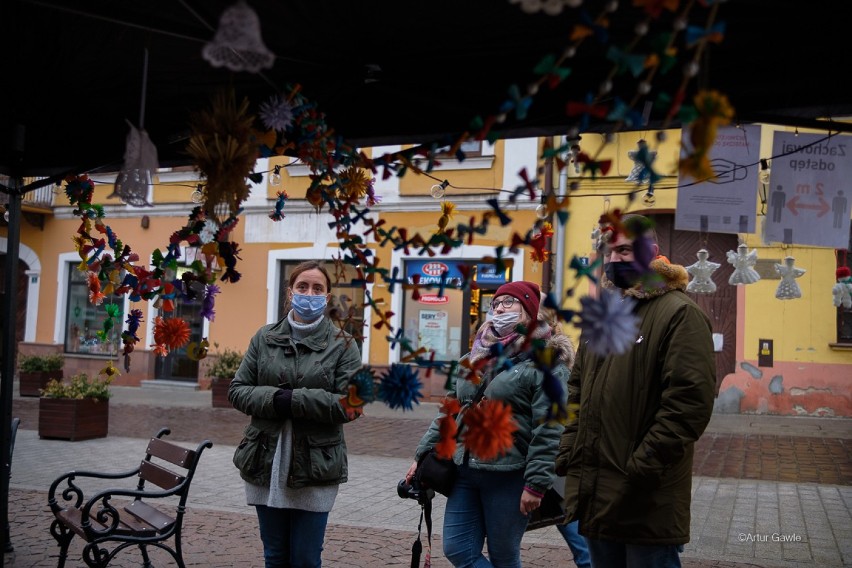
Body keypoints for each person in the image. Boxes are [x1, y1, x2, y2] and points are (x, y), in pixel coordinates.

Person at [555, 214, 716, 568]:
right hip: (596, 494)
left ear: (653, 252)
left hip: (645, 500)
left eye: (625, 250)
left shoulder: (679, 314)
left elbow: (689, 405)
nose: (614, 260)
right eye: (609, 252)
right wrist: (569, 450)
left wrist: (638, 469)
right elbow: (578, 389)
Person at [405, 280, 572, 568]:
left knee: (504, 557)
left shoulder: (546, 362)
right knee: (457, 549)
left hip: (509, 474)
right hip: (465, 471)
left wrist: (536, 483)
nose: (500, 308)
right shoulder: (474, 358)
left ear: (530, 311)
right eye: (496, 303)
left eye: (510, 303)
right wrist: (421, 456)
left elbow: (550, 428)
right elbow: (450, 411)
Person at [229, 260, 362, 568]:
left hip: (316, 466)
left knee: (304, 558)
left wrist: (296, 400)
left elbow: (352, 404)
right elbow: (237, 390)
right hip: (267, 460)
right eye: (302, 286)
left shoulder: (343, 344)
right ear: (290, 292)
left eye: (317, 288)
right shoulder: (264, 338)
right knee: (274, 556)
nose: (309, 293)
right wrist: (275, 399)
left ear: (327, 297)